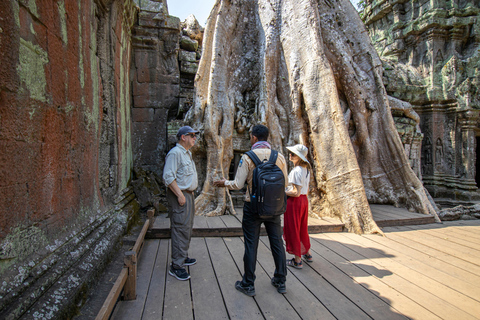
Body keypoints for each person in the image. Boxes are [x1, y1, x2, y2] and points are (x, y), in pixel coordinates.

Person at [213, 124, 288, 296]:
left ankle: (248, 283)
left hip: (252, 206)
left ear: (254, 137)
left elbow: (238, 184)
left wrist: (225, 182)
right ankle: (280, 280)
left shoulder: (248, 157)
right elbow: (285, 183)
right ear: (267, 137)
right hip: (274, 207)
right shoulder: (280, 157)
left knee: (251, 244)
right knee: (277, 243)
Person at [163, 126, 200, 280]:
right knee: (179, 227)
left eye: (195, 135)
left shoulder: (187, 153)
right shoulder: (175, 153)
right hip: (180, 195)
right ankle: (176, 265)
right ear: (183, 137)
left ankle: (182, 256)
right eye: (192, 135)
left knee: (186, 227)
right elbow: (168, 176)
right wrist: (179, 195)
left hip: (187, 195)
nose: (194, 138)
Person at [283, 144, 313, 269]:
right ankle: (307, 253)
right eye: (290, 153)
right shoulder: (306, 169)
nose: (290, 155)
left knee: (293, 229)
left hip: (295, 202)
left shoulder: (297, 171)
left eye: (293, 154)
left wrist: (280, 191)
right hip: (304, 201)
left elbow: (295, 192)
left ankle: (297, 260)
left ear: (299, 157)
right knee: (301, 227)